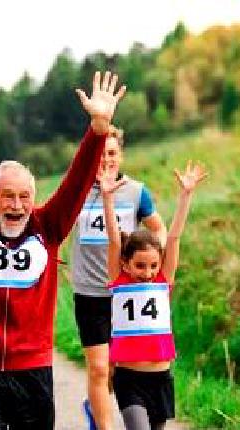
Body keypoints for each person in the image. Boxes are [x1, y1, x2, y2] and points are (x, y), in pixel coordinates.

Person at [0, 50, 125, 429]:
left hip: (32, 366)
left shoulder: (48, 225)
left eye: (24, 197)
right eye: (7, 196)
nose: (17, 206)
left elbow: (75, 183)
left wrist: (99, 130)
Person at [71, 125, 166, 430]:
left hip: (127, 296)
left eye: (111, 153)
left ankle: (94, 407)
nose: (105, 160)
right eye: (99, 154)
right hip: (90, 293)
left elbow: (159, 230)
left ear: (120, 155)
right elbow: (55, 226)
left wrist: (154, 265)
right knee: (99, 368)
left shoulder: (137, 192)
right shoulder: (77, 190)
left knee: (117, 370)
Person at [101, 161, 206, 430]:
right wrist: (107, 198)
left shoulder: (163, 282)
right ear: (125, 264)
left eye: (153, 266)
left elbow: (173, 239)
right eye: (140, 266)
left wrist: (186, 196)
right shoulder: (119, 280)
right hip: (129, 378)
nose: (147, 272)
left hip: (160, 377)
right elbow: (114, 239)